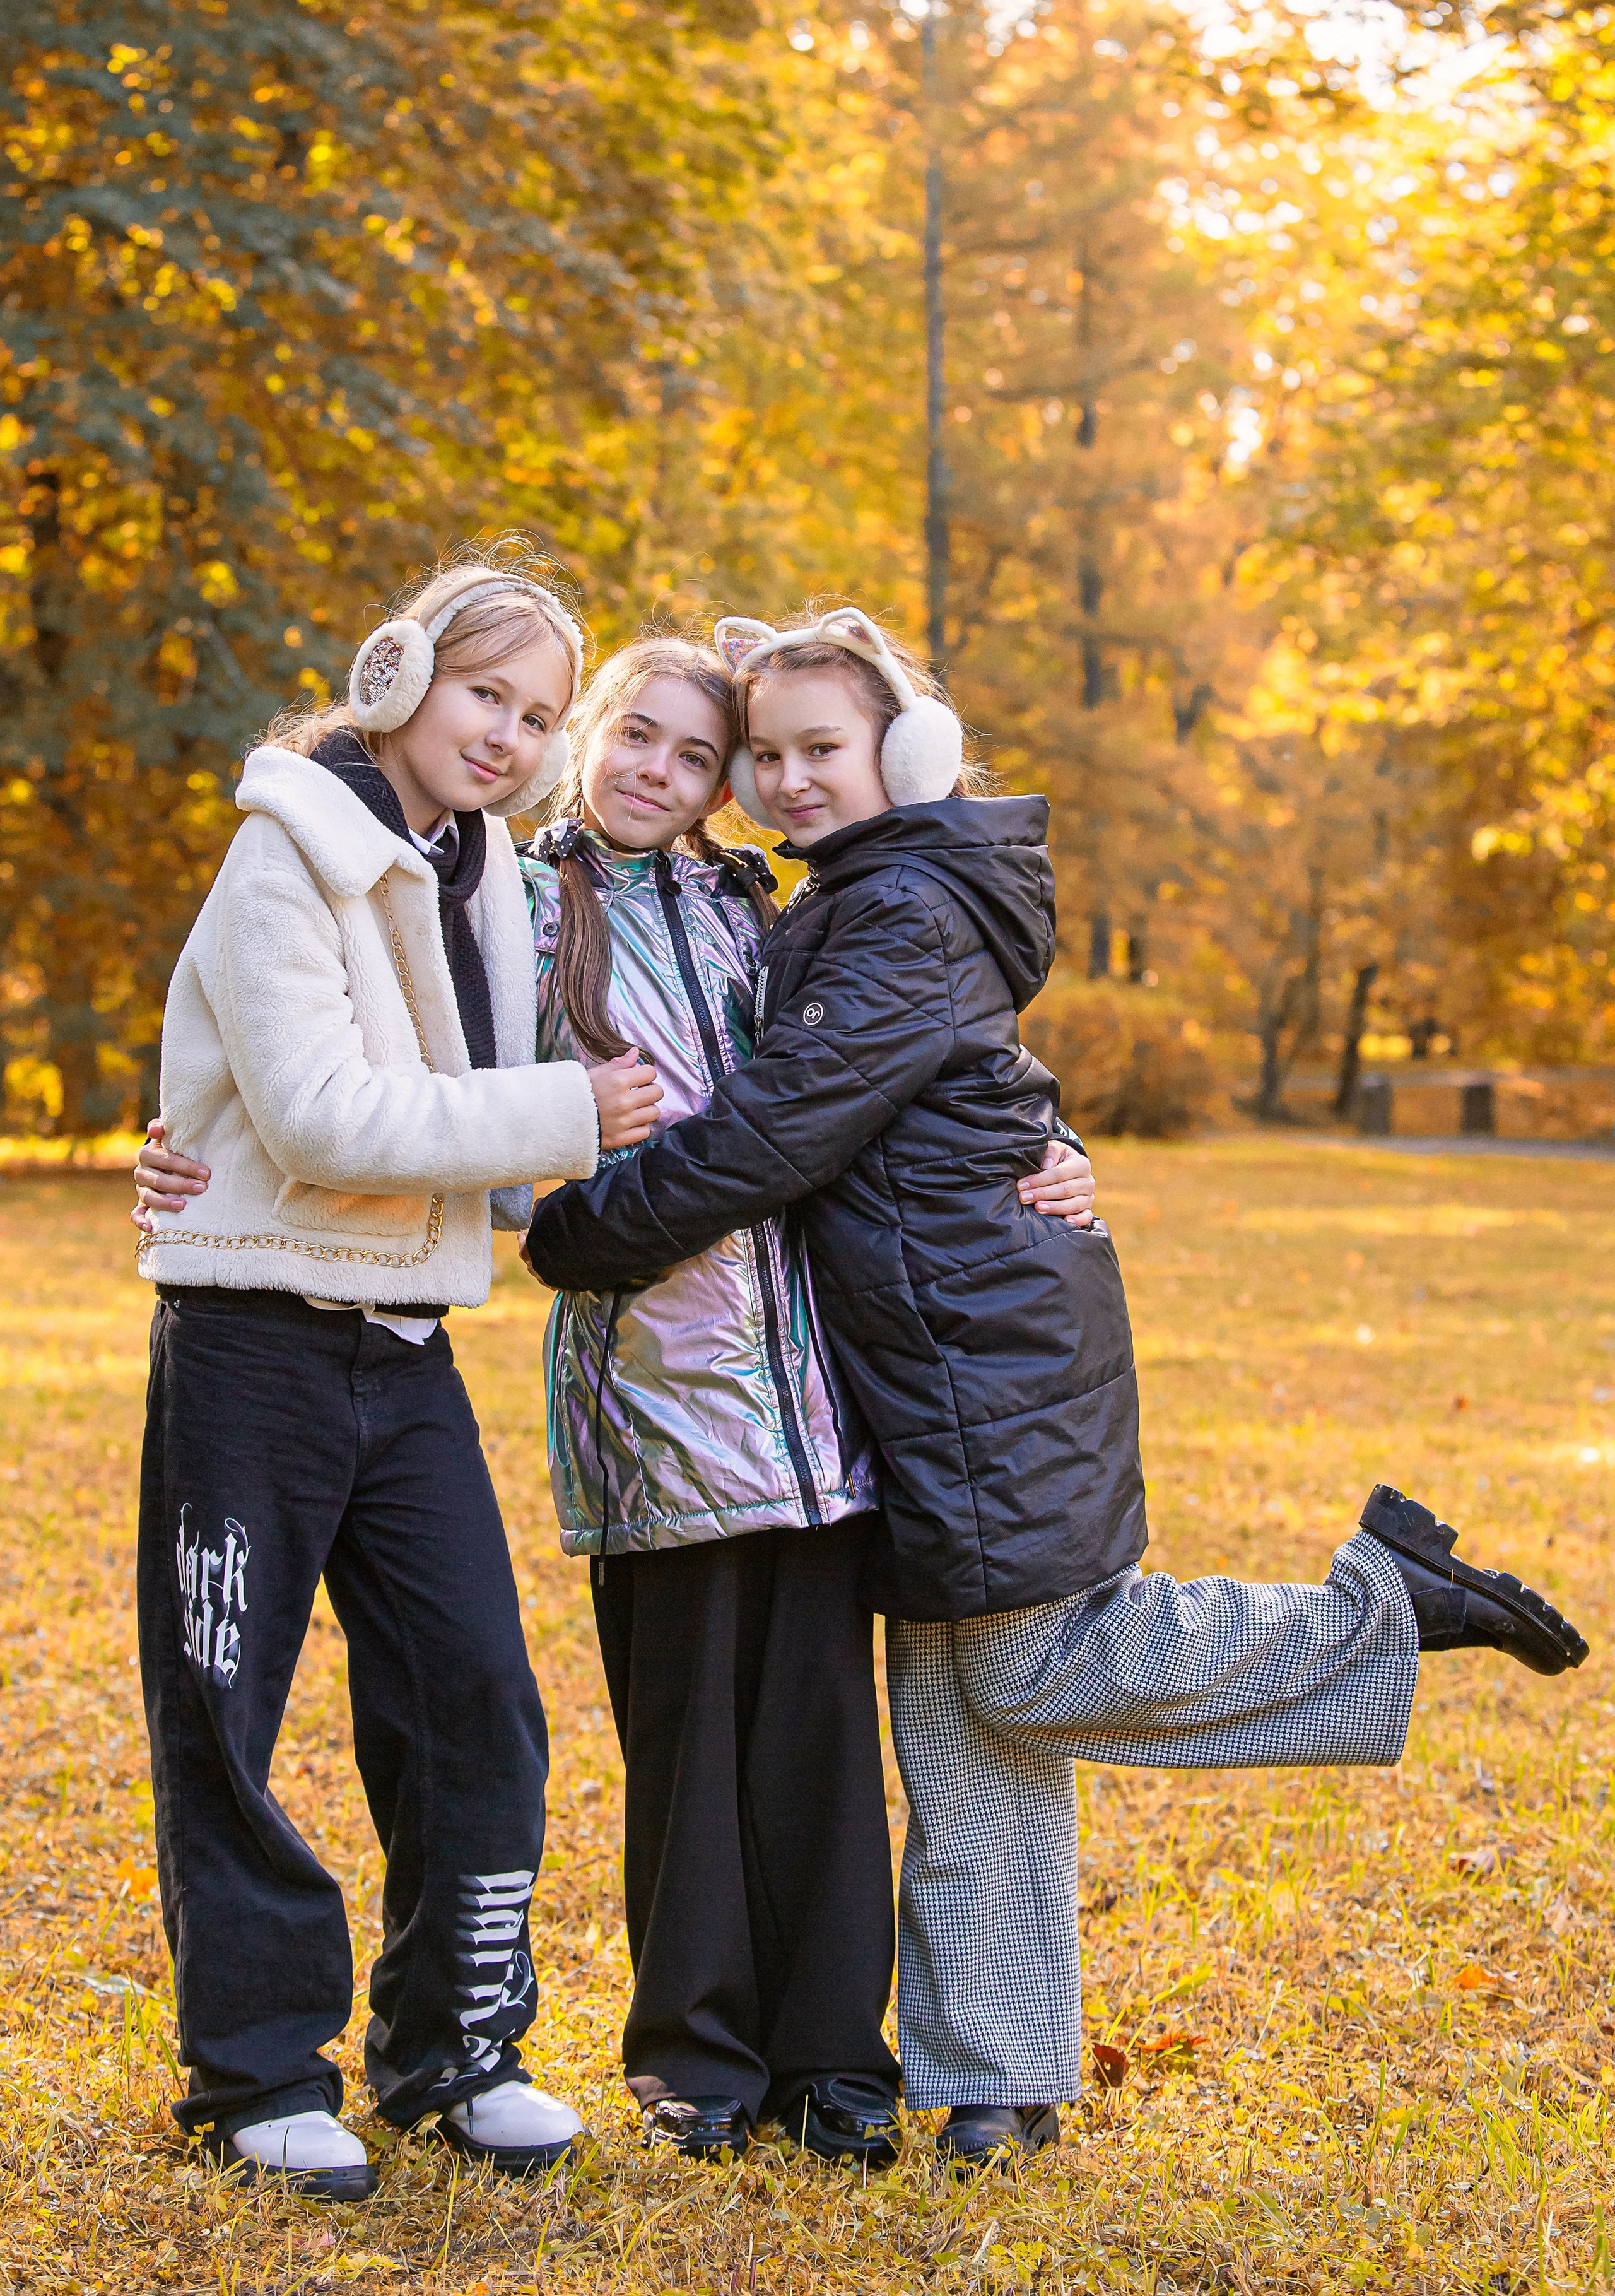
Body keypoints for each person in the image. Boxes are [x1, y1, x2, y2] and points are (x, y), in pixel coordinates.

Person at [522, 603, 1590, 2170]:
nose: (789, 778)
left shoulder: (895, 905)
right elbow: (957, 1085)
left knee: (1021, 1672)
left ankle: (1380, 1606)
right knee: (961, 1711)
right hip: (900, 1359)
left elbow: (778, 1128)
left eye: (820, 748)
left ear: (905, 751)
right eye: (769, 755)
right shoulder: (846, 892)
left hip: (976, 1348)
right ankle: (1000, 2069)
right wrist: (1051, 1136)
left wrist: (573, 1235)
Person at [127, 549, 663, 2202]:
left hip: (407, 1345)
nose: (507, 734)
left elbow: (460, 1109)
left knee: (474, 1697)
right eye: (484, 692)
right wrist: (567, 1114)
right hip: (252, 1338)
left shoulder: (479, 864)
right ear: (398, 673)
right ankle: (256, 2072)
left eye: (539, 715)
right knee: (224, 1703)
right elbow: (319, 1116)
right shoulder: (285, 849)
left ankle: (454, 2050)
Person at [517, 632, 1091, 2164]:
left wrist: (1050, 1147)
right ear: (588, 736)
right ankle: (695, 2060)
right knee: (686, 1747)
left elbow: (907, 1071)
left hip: (822, 1395)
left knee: (822, 1751)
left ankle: (833, 2059)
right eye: (637, 736)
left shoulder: (759, 905)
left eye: (697, 755)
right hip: (657, 1390)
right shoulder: (516, 902)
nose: (662, 770)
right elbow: (431, 1079)